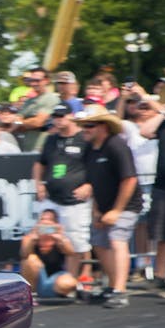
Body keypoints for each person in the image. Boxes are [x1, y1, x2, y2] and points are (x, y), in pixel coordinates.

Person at [80, 105, 143, 308]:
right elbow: (94, 182)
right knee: (98, 242)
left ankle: (120, 291)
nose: (85, 129)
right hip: (104, 206)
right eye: (84, 125)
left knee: (117, 239)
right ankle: (113, 285)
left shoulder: (117, 145)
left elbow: (130, 179)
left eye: (90, 125)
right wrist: (97, 211)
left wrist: (117, 210)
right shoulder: (89, 150)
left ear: (104, 127)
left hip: (127, 205)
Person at [33, 103, 93, 276]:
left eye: (62, 116)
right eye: (55, 116)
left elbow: (96, 166)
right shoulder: (51, 139)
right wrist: (38, 183)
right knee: (45, 234)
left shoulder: (84, 138)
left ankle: (83, 274)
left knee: (77, 239)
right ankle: (53, 274)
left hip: (75, 199)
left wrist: (90, 185)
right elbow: (40, 163)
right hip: (52, 200)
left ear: (71, 116)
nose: (58, 120)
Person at [138, 97, 165, 296]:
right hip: (163, 186)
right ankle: (160, 275)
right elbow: (144, 131)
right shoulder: (164, 124)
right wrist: (162, 112)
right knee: (163, 235)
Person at [20, 209, 77, 300]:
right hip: (36, 280)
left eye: (49, 220)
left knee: (69, 283)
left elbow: (71, 252)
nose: (45, 222)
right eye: (42, 219)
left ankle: (57, 293)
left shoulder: (60, 239)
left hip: (55, 278)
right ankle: (30, 295)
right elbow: (24, 255)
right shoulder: (29, 238)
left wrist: (60, 238)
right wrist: (33, 238)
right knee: (31, 259)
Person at [16, 68, 61, 152]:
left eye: (37, 80)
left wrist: (21, 122)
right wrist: (24, 123)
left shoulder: (50, 98)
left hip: (41, 148)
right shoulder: (28, 101)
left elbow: (38, 122)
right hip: (26, 148)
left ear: (46, 80)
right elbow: (17, 126)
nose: (33, 83)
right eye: (31, 80)